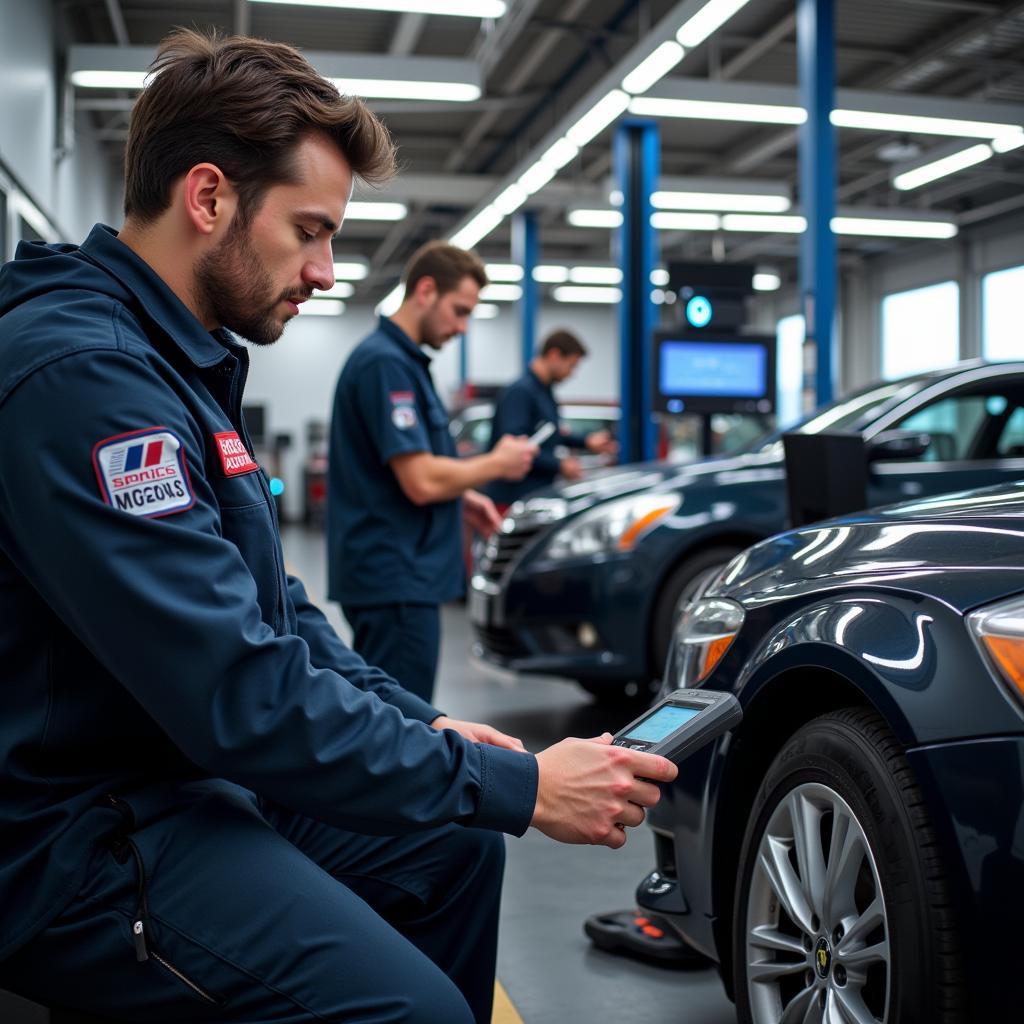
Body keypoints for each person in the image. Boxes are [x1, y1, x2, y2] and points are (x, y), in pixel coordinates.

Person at [0, 29, 677, 1024]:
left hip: (177, 774)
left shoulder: (176, 364)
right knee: (417, 1008)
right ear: (209, 197)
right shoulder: (87, 380)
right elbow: (241, 692)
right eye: (310, 230)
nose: (326, 271)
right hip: (78, 828)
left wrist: (424, 725)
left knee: (448, 845)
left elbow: (275, 606)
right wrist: (513, 780)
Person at [328, 242, 537, 703]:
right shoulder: (387, 364)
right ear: (425, 290)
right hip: (396, 577)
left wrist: (462, 497)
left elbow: (396, 469)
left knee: (394, 713)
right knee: (401, 723)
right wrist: (497, 464)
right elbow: (420, 480)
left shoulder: (403, 363)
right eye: (459, 311)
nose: (462, 327)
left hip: (397, 575)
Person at [485, 329, 619, 509]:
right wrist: (559, 465)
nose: (572, 373)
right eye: (571, 365)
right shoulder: (520, 393)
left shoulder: (544, 392)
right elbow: (514, 446)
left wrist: (587, 441)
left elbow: (548, 435)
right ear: (554, 355)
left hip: (533, 495)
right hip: (512, 499)